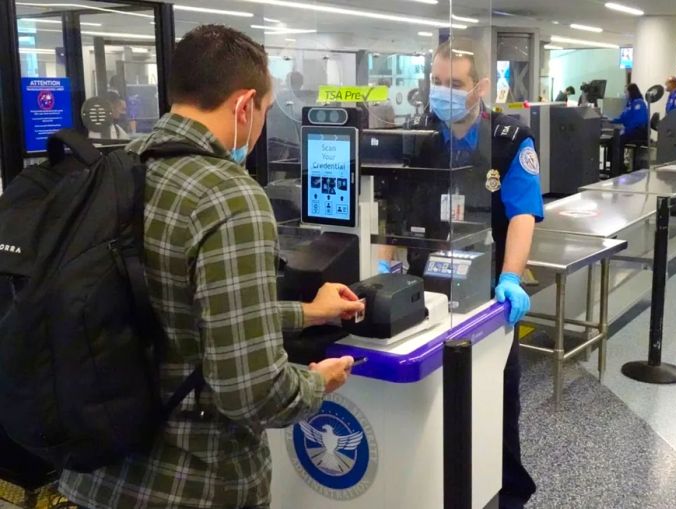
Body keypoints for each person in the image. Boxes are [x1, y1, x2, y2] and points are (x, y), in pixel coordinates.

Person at [60, 25, 364, 509]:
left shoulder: (112, 171)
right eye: (265, 112)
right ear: (245, 106)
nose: (262, 127)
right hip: (191, 482)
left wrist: (306, 312)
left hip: (96, 470)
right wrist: (317, 382)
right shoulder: (228, 195)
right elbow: (251, 390)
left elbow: (171, 306)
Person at [379, 37, 542, 508]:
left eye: (454, 84)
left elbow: (522, 215)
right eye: (435, 81)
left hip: (486, 291)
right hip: (422, 288)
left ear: (480, 87)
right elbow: (395, 210)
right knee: (427, 398)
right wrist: (386, 266)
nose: (442, 91)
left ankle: (506, 489)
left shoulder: (509, 141)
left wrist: (511, 277)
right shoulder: (421, 137)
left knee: (495, 396)